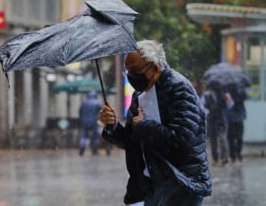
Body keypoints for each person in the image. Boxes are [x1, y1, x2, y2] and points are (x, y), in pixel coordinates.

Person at [99, 40, 211, 206]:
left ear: (155, 68)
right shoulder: (139, 95)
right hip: (152, 183)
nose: (131, 77)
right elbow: (133, 141)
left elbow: (181, 138)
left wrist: (143, 125)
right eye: (127, 72)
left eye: (136, 71)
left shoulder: (179, 89)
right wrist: (112, 125)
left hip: (181, 182)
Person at [202, 87, 232, 166]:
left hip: (220, 120)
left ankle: (223, 158)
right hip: (213, 120)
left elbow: (230, 105)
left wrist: (227, 100)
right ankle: (217, 158)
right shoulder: (207, 94)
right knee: (214, 139)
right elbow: (203, 106)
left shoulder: (223, 94)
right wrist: (207, 112)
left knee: (221, 138)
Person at [226, 85, 247, 163]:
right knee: (231, 138)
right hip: (230, 119)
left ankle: (238, 153)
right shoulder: (226, 93)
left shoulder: (240, 92)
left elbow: (245, 97)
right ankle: (233, 156)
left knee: (239, 137)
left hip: (238, 118)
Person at [79, 90, 102, 156]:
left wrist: (82, 119)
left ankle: (82, 147)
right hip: (94, 122)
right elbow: (101, 112)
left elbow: (80, 112)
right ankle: (95, 151)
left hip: (85, 122)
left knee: (84, 136)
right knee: (95, 137)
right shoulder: (97, 103)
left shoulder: (84, 103)